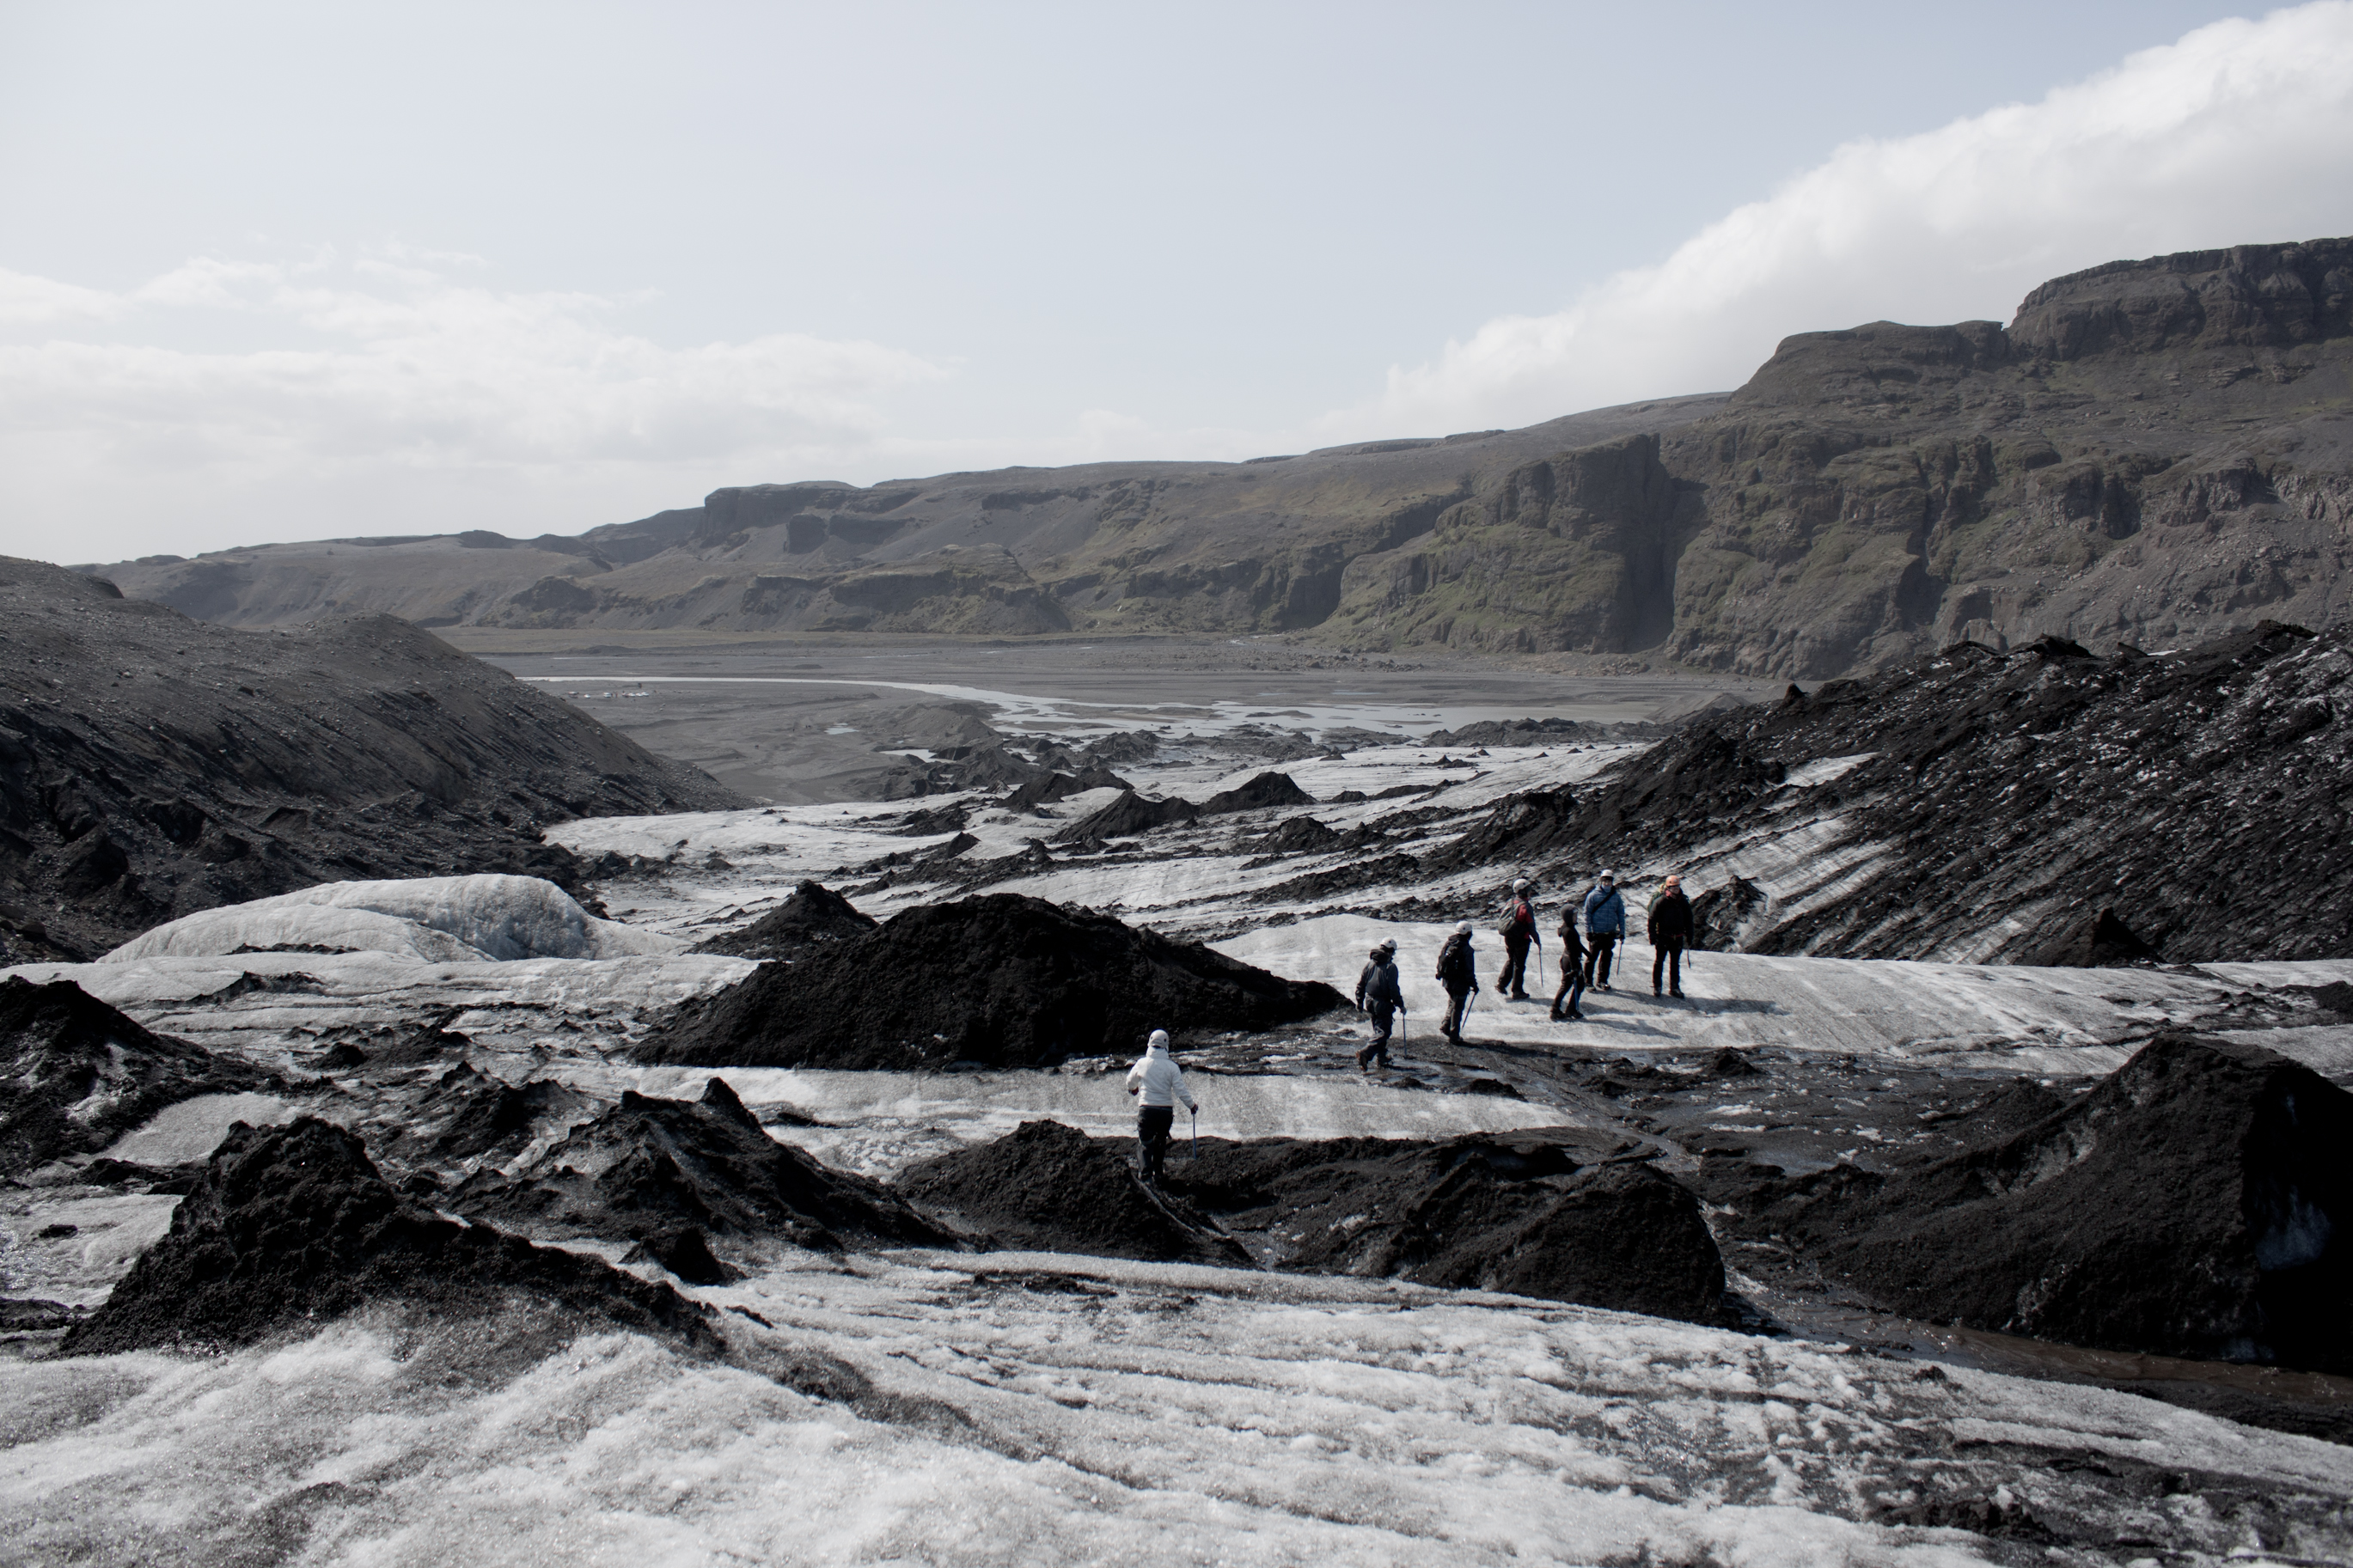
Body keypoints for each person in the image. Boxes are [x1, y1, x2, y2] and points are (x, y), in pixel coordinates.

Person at [1123, 1028, 1197, 1186]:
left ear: (1150, 1043)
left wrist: (1133, 1089)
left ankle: (1146, 1176)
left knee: (1145, 1143)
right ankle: (1158, 1173)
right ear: (1166, 1046)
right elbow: (1180, 1090)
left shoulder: (1142, 1063)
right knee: (1160, 1141)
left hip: (1147, 1110)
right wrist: (1191, 1105)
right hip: (1165, 1112)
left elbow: (1130, 1082)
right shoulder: (1172, 1067)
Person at [1354, 939, 1405, 1071]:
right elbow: (1393, 989)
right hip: (1383, 1003)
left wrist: (1359, 1001)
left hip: (1369, 1001)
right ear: (1391, 951)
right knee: (1384, 1032)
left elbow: (1361, 984)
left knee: (1378, 1029)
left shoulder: (1370, 964)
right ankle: (1366, 1053)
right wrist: (1400, 1005)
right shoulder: (1390, 967)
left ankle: (1382, 1058)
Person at [1648, 874, 1693, 998]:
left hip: (1677, 938)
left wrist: (1690, 936)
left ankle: (1674, 987)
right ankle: (1657, 986)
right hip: (1663, 937)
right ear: (1668, 888)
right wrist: (1653, 936)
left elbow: (1689, 920)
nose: (1676, 889)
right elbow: (1652, 920)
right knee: (1659, 962)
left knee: (1675, 964)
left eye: (1677, 887)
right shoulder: (1660, 902)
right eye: (1673, 887)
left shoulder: (1683, 902)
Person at [1435, 920, 1479, 1041]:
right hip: (1460, 982)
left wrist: (1439, 973)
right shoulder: (1467, 949)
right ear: (1468, 933)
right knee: (1458, 1007)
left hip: (1447, 980)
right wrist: (1474, 985)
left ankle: (1446, 1026)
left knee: (1453, 1002)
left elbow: (1441, 959)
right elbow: (1469, 970)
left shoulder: (1449, 943)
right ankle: (1454, 1036)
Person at [1583, 870, 1626, 991]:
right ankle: (1588, 982)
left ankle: (1602, 981)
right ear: (1601, 881)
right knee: (1592, 958)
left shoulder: (1616, 897)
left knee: (1606, 958)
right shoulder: (1593, 895)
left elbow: (1621, 915)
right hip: (1597, 934)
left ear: (1612, 882)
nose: (1607, 883)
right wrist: (1588, 931)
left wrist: (1622, 932)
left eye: (1609, 881)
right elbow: (1587, 914)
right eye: (1605, 881)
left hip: (1610, 933)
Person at [1495, 878, 1538, 1000]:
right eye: (1528, 890)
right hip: (1521, 939)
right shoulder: (1526, 906)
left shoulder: (1511, 902)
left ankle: (1501, 984)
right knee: (1519, 965)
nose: (1530, 892)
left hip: (1509, 937)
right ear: (1523, 891)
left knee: (1511, 960)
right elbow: (1531, 925)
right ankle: (1517, 991)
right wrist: (1537, 940)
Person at [1550, 906, 1588, 1021]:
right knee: (1575, 984)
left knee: (1569, 985)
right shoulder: (1569, 931)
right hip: (1570, 961)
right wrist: (1575, 968)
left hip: (1568, 959)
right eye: (1574, 915)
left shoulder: (1569, 928)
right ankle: (1567, 1009)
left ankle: (1559, 1009)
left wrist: (1587, 953)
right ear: (1568, 917)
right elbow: (1572, 950)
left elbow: (1577, 944)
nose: (1576, 918)